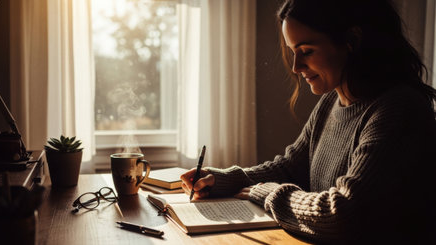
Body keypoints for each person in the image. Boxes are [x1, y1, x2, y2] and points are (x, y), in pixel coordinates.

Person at [181, 0, 436, 244]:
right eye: (293, 52)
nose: (296, 66)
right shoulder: (332, 102)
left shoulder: (398, 109)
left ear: (352, 41)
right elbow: (291, 168)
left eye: (306, 51)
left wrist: (267, 193)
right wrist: (225, 179)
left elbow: (343, 214)